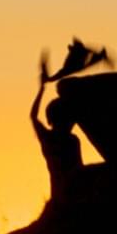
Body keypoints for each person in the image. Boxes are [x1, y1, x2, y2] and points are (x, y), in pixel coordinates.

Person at [30, 59, 83, 201]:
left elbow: (33, 116)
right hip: (73, 194)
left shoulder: (47, 137)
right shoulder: (71, 140)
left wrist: (41, 88)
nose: (73, 122)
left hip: (58, 195)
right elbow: (79, 168)